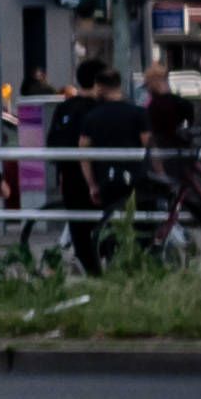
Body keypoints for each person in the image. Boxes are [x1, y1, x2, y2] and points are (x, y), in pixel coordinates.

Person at [45, 58, 133, 270]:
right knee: (107, 226)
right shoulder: (99, 110)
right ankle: (107, 271)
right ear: (98, 82)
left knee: (79, 229)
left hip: (69, 178)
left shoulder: (64, 107)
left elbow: (52, 143)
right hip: (96, 177)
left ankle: (91, 272)